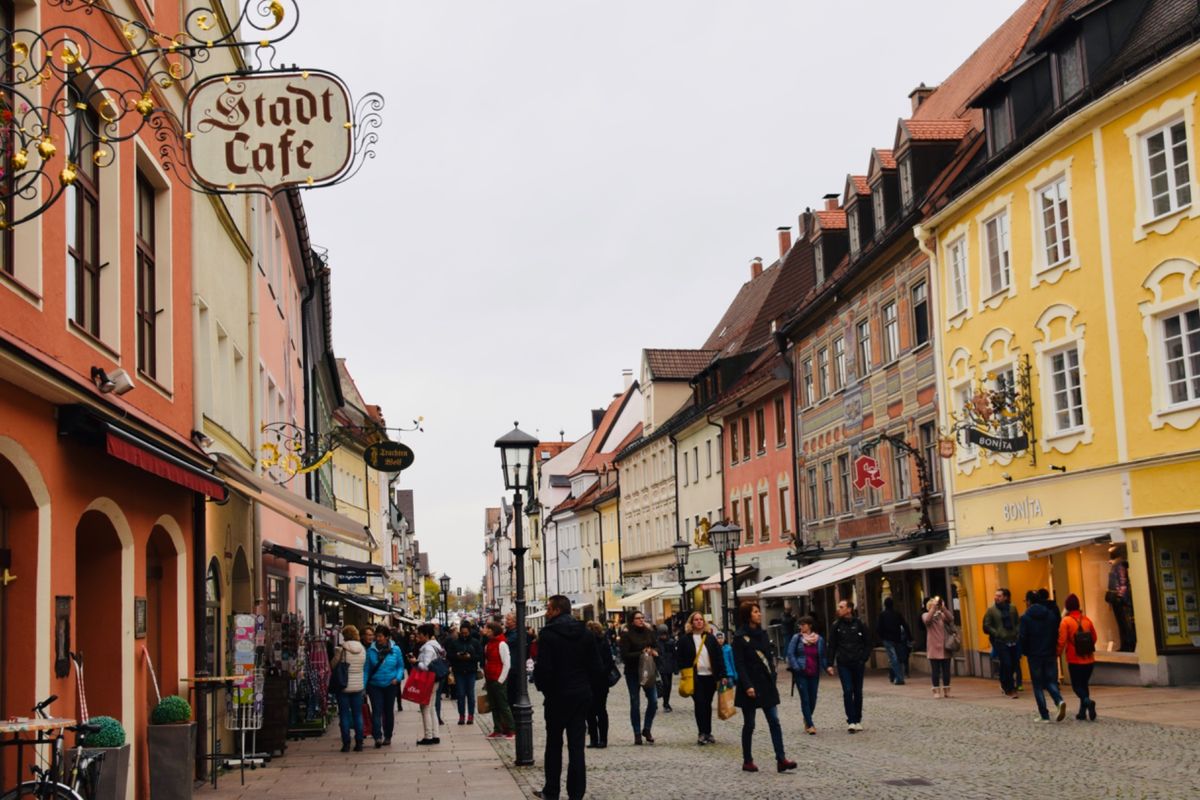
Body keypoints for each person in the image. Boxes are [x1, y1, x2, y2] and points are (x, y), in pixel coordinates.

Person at [530, 596, 601, 800]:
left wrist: (545, 688)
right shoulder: (585, 633)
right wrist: (587, 687)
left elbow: (544, 669)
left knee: (554, 743)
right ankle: (576, 793)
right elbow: (596, 667)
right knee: (577, 747)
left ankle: (552, 790)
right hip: (580, 694)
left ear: (557, 610)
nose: (546, 612)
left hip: (557, 696)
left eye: (548, 609)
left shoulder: (548, 635)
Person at [731, 601, 796, 773]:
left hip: (766, 684)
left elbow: (769, 656)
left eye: (759, 611)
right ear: (748, 615)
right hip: (750, 685)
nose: (759, 614)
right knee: (749, 724)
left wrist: (773, 675)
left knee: (774, 721)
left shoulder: (763, 634)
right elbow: (739, 664)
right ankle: (747, 760)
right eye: (755, 612)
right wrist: (747, 685)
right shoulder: (739, 637)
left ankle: (781, 759)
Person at [674, 611, 726, 745]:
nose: (699, 622)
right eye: (696, 620)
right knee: (699, 703)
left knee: (707, 704)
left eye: (701, 619)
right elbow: (679, 657)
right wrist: (683, 670)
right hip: (695, 677)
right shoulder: (685, 639)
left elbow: (719, 656)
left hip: (710, 676)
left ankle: (708, 732)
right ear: (691, 623)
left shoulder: (710, 638)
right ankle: (701, 732)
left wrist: (723, 674)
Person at [1019, 589, 1067, 723]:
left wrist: (1025, 651)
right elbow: (1056, 632)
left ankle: (1044, 715)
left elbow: (1023, 637)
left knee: (1038, 685)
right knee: (1050, 681)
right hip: (1049, 652)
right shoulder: (1050, 615)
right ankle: (1059, 700)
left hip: (1034, 655)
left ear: (1028, 602)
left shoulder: (1026, 617)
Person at [827, 599, 869, 733]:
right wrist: (829, 664)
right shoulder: (836, 626)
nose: (838, 609)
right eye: (839, 607)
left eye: (841, 607)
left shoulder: (860, 624)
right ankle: (851, 720)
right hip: (843, 663)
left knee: (858, 691)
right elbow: (832, 645)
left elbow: (868, 642)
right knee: (847, 690)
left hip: (857, 662)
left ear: (849, 609)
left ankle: (858, 719)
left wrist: (863, 658)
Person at [618, 610, 659, 745]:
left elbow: (656, 647)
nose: (641, 620)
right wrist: (641, 653)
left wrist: (653, 652)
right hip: (633, 672)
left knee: (653, 701)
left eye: (642, 617)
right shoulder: (626, 634)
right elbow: (624, 655)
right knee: (635, 702)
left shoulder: (649, 632)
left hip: (648, 671)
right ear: (632, 620)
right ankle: (637, 733)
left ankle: (647, 728)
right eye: (638, 618)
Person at [1057, 593, 1098, 721]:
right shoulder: (1087, 620)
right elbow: (1094, 637)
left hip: (1074, 659)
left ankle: (1087, 701)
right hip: (1089, 659)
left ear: (1067, 607)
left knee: (1076, 687)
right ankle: (1082, 712)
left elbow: (1062, 640)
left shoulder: (1066, 621)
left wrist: (1057, 653)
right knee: (1084, 685)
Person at [785, 616, 826, 735]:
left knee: (813, 698)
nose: (801, 627)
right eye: (800, 625)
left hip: (814, 672)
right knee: (805, 698)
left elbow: (822, 655)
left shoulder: (819, 639)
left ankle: (807, 718)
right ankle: (810, 724)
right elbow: (790, 653)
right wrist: (796, 667)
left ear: (810, 625)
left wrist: (826, 667)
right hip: (801, 672)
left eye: (803, 624)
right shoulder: (797, 638)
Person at [365, 625, 404, 748]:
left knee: (388, 711)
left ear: (387, 637)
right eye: (376, 636)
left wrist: (397, 678)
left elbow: (400, 666)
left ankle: (388, 736)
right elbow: (366, 670)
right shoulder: (370, 651)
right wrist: (363, 685)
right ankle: (377, 736)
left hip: (390, 684)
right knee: (376, 710)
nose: (378, 638)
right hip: (374, 685)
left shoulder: (396, 649)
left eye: (380, 636)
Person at [329, 624, 366, 752]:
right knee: (358, 715)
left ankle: (346, 744)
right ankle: (359, 743)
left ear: (344, 635)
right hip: (358, 686)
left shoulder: (341, 649)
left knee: (344, 715)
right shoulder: (362, 649)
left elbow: (333, 665)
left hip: (343, 686)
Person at [982, 588, 1021, 698]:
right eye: (996, 596)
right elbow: (986, 625)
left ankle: (1004, 682)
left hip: (1013, 640)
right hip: (1000, 641)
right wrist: (996, 633)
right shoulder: (991, 610)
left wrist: (1017, 631)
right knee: (1007, 663)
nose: (996, 598)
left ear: (1005, 597)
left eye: (999, 596)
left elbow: (1017, 622)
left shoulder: (1012, 608)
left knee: (1012, 664)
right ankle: (1010, 688)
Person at [413, 623, 445, 744]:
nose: (417, 636)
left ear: (426, 635)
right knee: (431, 708)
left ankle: (428, 736)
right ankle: (435, 735)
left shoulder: (428, 648)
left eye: (420, 634)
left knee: (425, 707)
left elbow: (426, 666)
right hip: (434, 679)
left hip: (428, 679)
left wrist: (416, 662)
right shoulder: (436, 645)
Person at [483, 621, 516, 739]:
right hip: (490, 678)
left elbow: (507, 663)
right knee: (494, 706)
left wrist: (501, 680)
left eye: (488, 629)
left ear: (494, 631)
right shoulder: (488, 645)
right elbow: (487, 661)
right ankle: (498, 729)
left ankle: (511, 729)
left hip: (498, 678)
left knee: (503, 705)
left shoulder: (502, 644)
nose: (486, 631)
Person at [446, 621, 483, 725]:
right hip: (459, 671)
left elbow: (480, 656)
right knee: (460, 694)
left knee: (470, 694)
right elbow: (449, 655)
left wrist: (470, 657)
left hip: (471, 671)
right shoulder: (455, 642)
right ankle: (461, 715)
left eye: (466, 633)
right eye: (462, 633)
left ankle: (471, 715)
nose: (464, 635)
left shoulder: (475, 642)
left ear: (469, 632)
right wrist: (457, 656)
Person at [585, 620, 613, 749]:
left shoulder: (601, 643)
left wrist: (601, 673)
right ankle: (598, 739)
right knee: (595, 710)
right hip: (595, 681)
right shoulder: (599, 643)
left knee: (596, 710)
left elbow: (609, 662)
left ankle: (599, 739)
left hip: (597, 681)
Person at [922, 596, 954, 698]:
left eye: (936, 605)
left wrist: (943, 608)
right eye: (933, 605)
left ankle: (946, 690)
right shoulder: (925, 615)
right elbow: (927, 620)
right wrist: (933, 609)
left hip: (945, 647)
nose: (936, 607)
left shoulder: (942, 615)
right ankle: (936, 690)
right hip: (933, 647)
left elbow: (951, 618)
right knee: (935, 671)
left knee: (946, 671)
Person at [1107, 545, 1137, 651]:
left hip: (1120, 600)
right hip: (1120, 599)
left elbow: (1122, 582)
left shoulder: (1119, 565)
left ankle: (1127, 644)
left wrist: (1121, 598)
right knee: (1123, 623)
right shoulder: (1119, 564)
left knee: (1124, 623)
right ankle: (1126, 644)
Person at [875, 597, 909, 685]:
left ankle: (897, 677)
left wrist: (882, 637)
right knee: (898, 658)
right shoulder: (897, 614)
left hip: (888, 639)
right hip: (897, 638)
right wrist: (910, 637)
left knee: (893, 658)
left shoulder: (882, 615)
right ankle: (896, 676)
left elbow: (878, 628)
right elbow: (905, 625)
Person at [655, 625, 677, 712]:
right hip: (660, 666)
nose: (663, 636)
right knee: (663, 684)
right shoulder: (656, 643)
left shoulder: (671, 642)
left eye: (664, 634)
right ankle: (657, 702)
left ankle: (666, 702)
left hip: (669, 666)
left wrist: (675, 668)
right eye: (661, 634)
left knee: (668, 685)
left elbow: (674, 655)